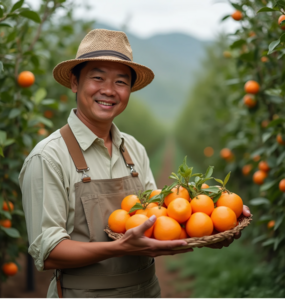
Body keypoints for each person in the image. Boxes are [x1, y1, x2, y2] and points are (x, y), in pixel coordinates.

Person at [19, 29, 251, 298]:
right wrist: (120, 247)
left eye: (120, 82)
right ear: (74, 82)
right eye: (97, 78)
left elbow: (159, 222)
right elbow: (48, 253)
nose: (108, 90)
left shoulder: (134, 150)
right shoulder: (48, 157)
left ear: (129, 90)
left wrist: (211, 230)